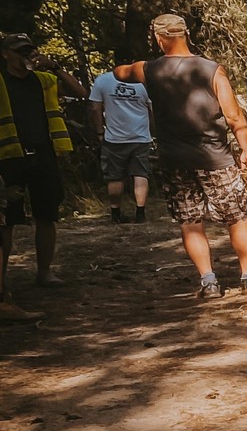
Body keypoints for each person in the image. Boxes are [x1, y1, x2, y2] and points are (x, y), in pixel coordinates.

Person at [115, 13, 247, 300]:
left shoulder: (148, 70)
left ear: (158, 38)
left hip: (175, 160)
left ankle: (209, 281)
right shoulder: (212, 70)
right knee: (237, 217)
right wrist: (246, 150)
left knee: (191, 222)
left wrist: (124, 67)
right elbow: (234, 116)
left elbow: (121, 72)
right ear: (185, 35)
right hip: (217, 157)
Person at [0, 31, 79, 323]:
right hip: (9, 158)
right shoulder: (1, 81)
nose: (25, 56)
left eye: (28, 50)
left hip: (43, 156)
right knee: (6, 221)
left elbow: (81, 92)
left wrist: (55, 67)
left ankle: (44, 271)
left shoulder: (43, 81)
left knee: (47, 214)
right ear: (6, 53)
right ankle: (3, 282)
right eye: (19, 51)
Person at [88, 64, 154, 222]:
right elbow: (153, 110)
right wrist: (153, 130)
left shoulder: (103, 80)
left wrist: (99, 132)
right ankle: (140, 213)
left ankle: (115, 213)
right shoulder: (144, 83)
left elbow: (95, 108)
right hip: (140, 137)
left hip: (114, 138)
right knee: (140, 174)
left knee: (115, 176)